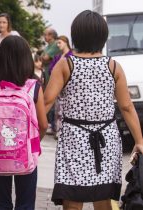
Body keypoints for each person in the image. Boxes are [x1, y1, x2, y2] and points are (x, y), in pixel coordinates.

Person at [44, 10, 143, 210]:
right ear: (103, 37)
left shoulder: (66, 64)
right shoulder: (113, 66)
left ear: (76, 35)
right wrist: (139, 141)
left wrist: (33, 134)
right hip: (107, 138)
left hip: (74, 138)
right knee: (105, 199)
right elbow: (126, 106)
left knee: (72, 199)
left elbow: (47, 101)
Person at [0, 36, 48, 210]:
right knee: (26, 203)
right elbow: (43, 125)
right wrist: (31, 143)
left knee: (0, 203)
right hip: (26, 154)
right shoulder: (33, 87)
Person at [49, 35, 73, 139]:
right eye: (57, 43)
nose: (58, 45)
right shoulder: (57, 57)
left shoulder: (71, 55)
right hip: (58, 86)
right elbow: (51, 70)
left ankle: (67, 131)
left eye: (60, 43)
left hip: (68, 86)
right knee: (57, 109)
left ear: (66, 42)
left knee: (67, 108)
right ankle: (58, 131)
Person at [41, 27, 60, 135]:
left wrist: (43, 57)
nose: (45, 36)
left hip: (51, 74)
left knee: (51, 97)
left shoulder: (55, 44)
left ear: (51, 35)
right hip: (46, 74)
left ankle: (52, 125)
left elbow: (46, 57)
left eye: (46, 34)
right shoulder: (48, 45)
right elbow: (42, 58)